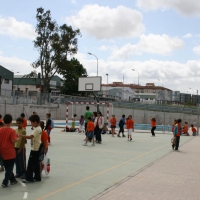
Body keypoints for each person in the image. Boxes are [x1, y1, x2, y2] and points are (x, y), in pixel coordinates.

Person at [20, 115, 42, 183]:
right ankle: (37, 177)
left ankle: (29, 178)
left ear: (35, 122)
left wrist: (22, 136)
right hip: (37, 147)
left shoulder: (37, 129)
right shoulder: (38, 128)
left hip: (35, 149)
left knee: (30, 164)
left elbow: (30, 136)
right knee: (36, 164)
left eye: (31, 122)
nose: (31, 124)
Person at [0, 114, 19, 187]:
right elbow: (13, 140)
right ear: (11, 121)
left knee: (7, 166)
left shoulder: (0, 130)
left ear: (3, 121)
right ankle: (5, 182)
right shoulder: (11, 131)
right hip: (10, 151)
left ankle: (12, 180)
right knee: (10, 168)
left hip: (2, 151)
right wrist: (18, 138)